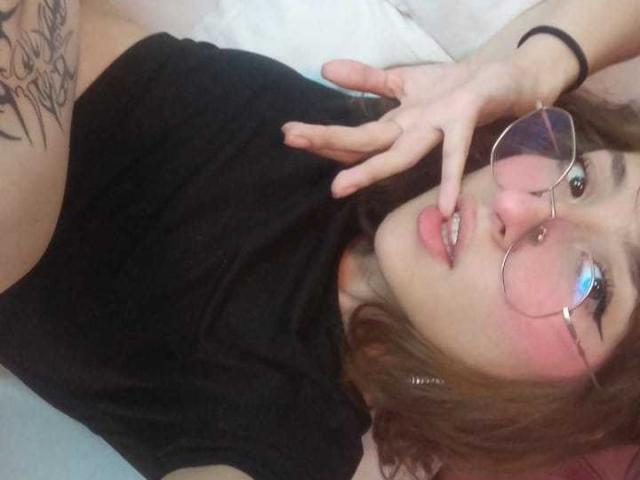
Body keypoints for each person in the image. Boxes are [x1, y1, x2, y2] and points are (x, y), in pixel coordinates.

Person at [1, 2, 640, 480]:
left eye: (590, 283)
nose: (514, 205)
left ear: (567, 405)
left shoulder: (285, 432)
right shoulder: (413, 143)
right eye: (581, 179)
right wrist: (528, 65)